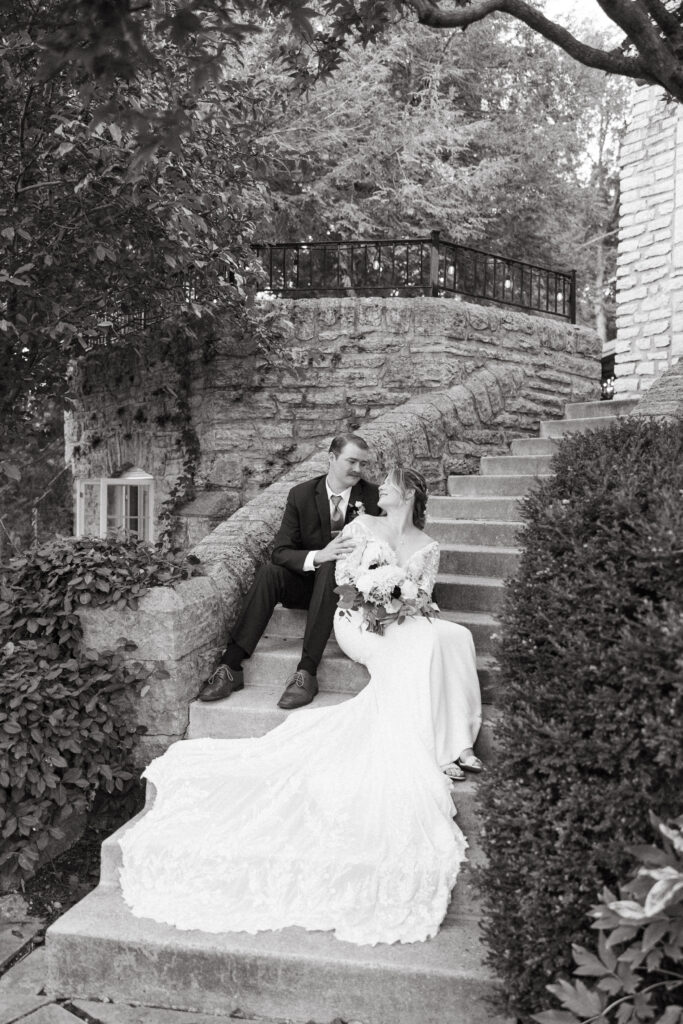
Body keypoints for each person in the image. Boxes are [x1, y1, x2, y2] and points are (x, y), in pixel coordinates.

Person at [119, 467, 483, 946]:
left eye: (391, 484)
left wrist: (402, 601)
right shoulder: (361, 526)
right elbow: (343, 582)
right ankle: (437, 748)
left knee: (456, 635)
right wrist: (374, 601)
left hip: (401, 618)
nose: (380, 488)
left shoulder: (426, 545)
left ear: (409, 494)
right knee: (421, 646)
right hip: (357, 619)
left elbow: (425, 597)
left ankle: (458, 741)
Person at [198, 433, 381, 709]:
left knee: (332, 564)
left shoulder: (373, 496)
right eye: (351, 461)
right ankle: (231, 666)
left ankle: (306, 671)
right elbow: (281, 551)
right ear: (331, 458)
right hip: (308, 586)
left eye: (362, 464)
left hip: (347, 591)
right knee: (270, 572)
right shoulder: (302, 495)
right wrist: (319, 556)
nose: (358, 470)